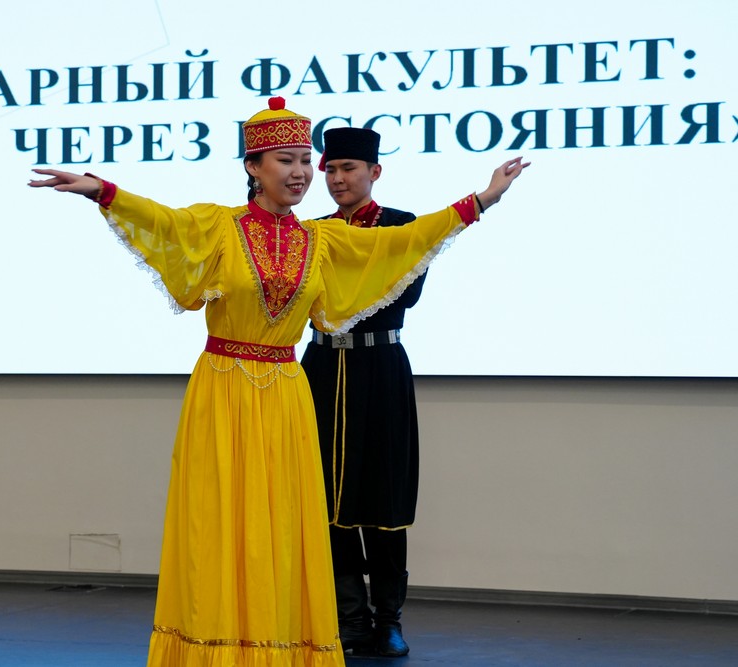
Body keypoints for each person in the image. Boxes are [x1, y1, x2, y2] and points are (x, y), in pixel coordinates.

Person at [29, 97, 527, 667]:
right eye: (287, 161)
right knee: (222, 520)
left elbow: (399, 243)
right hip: (225, 387)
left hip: (288, 391)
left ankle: (288, 644)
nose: (302, 173)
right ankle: (216, 646)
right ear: (253, 167)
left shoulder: (321, 241)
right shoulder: (219, 227)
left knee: (288, 522)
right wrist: (104, 192)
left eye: (306, 161)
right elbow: (165, 222)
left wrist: (481, 200)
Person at [301, 127, 435, 657]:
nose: (337, 179)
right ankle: (349, 618)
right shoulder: (312, 232)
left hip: (380, 365)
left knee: (384, 496)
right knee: (326, 497)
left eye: (349, 168)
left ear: (374, 171)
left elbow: (407, 293)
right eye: (331, 170)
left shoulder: (403, 225)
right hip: (322, 365)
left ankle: (389, 621)